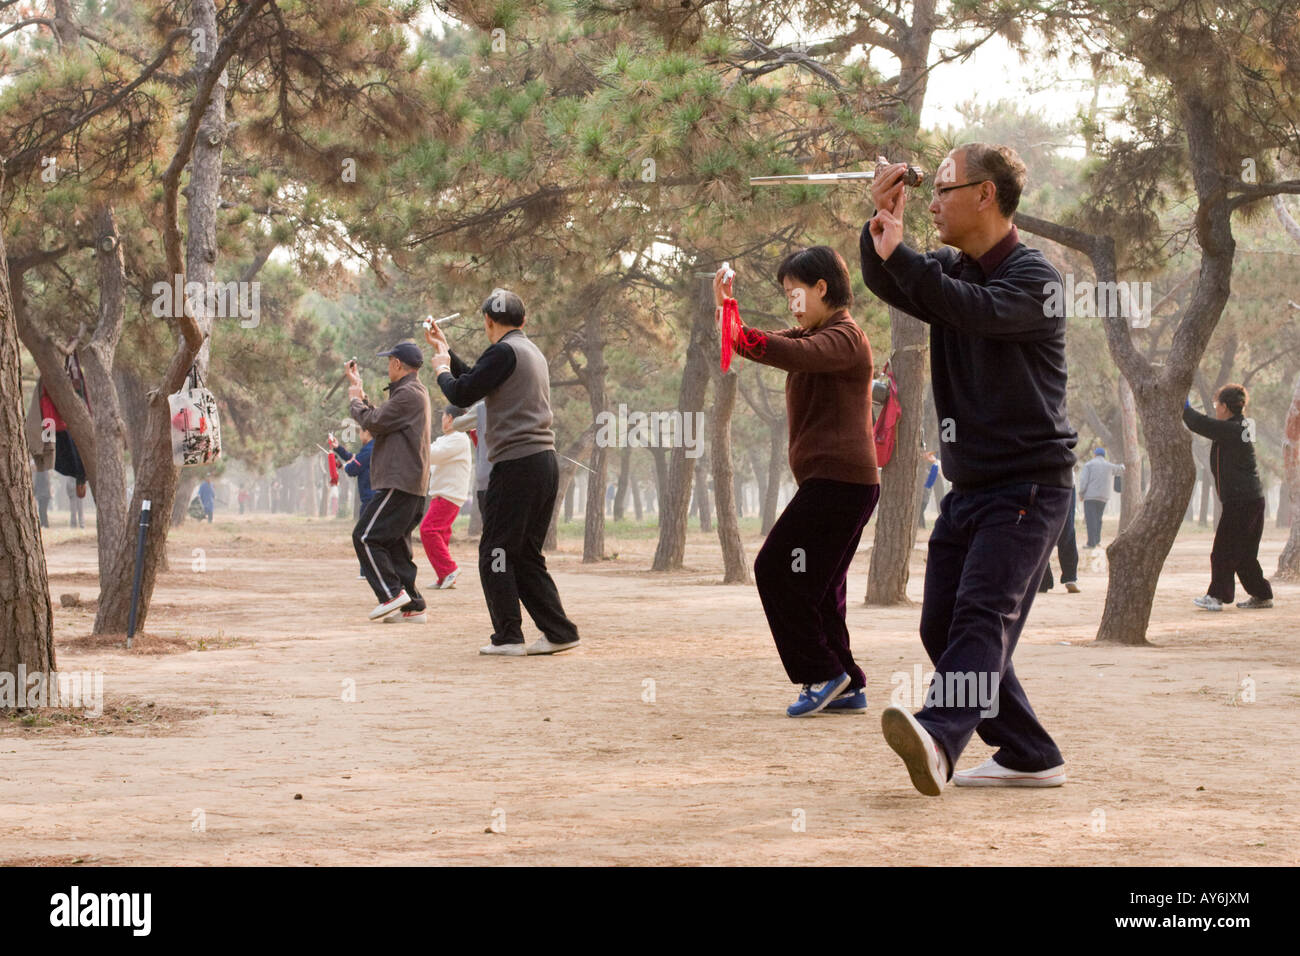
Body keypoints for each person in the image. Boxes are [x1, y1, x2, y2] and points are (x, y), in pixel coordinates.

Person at [863, 143, 1077, 794]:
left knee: (982, 618)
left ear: (985, 195)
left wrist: (902, 253)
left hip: (1029, 484)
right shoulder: (950, 272)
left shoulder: (1034, 280)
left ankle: (938, 734)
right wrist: (880, 223)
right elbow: (890, 278)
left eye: (944, 189)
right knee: (940, 624)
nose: (932, 202)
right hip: (969, 486)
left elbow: (971, 311)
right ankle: (1028, 751)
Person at [717, 247, 881, 716]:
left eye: (794, 292)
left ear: (821, 289)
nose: (790, 301)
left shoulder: (844, 337)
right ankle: (847, 683)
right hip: (836, 483)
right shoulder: (819, 335)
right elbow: (754, 343)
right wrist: (728, 308)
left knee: (775, 570)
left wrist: (736, 323)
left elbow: (788, 351)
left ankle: (823, 672)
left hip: (840, 483)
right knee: (821, 585)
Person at [425, 290, 581, 657]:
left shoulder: (502, 352)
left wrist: (442, 370)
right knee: (525, 554)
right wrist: (447, 353)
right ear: (523, 321)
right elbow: (481, 379)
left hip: (516, 466)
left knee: (495, 551)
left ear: (488, 322)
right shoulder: (528, 351)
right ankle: (559, 631)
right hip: (543, 462)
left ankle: (508, 635)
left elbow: (463, 392)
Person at [347, 342, 433, 623]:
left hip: (400, 482)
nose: (387, 367)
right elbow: (383, 419)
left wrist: (355, 402)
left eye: (389, 362)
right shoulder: (413, 393)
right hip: (410, 484)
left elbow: (374, 422)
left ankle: (391, 595)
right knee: (395, 545)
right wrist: (360, 393)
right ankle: (413, 605)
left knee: (365, 536)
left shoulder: (409, 394)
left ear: (397, 363)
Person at [1184, 386, 1273, 610]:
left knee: (1222, 550)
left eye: (1217, 406)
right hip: (1251, 501)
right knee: (1245, 554)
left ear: (1225, 407)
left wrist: (1184, 407)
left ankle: (1216, 597)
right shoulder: (1239, 427)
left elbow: (1201, 424)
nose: (1216, 410)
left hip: (1242, 503)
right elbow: (1209, 426)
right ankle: (1262, 595)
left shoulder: (1236, 429)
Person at [419, 405, 473, 591]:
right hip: (444, 493)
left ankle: (449, 569)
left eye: (443, 416)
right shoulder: (447, 439)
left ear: (450, 418)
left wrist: (416, 441)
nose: (442, 420)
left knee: (428, 530)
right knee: (441, 534)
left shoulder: (458, 438)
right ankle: (444, 576)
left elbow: (431, 455)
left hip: (449, 495)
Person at [331, 428, 375, 580]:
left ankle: (367, 571)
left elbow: (353, 468)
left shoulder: (370, 449)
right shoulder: (372, 448)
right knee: (368, 535)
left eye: (361, 432)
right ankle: (367, 570)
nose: (359, 435)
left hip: (371, 499)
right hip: (372, 498)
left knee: (363, 535)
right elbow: (354, 459)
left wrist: (341, 466)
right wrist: (338, 449)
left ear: (367, 432)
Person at [1038, 480, 1080, 593]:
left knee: (1066, 529)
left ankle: (1070, 577)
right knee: (1040, 531)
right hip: (1038, 482)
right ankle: (1043, 579)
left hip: (1064, 481)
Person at [1078, 448, 1125, 548]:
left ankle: (1091, 543)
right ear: (1104, 455)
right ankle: (1097, 541)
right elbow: (1120, 469)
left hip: (1090, 496)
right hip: (1103, 497)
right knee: (1098, 519)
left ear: (1095, 454)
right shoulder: (1108, 465)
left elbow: (1084, 482)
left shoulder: (1089, 465)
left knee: (1091, 519)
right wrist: (1122, 464)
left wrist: (1081, 494)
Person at [32, 463, 51, 529]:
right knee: (41, 510)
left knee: (42, 510)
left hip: (44, 494)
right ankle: (43, 524)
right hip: (42, 494)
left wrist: (34, 493)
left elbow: (38, 483)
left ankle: (45, 524)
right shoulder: (41, 472)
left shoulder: (41, 472)